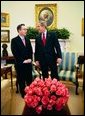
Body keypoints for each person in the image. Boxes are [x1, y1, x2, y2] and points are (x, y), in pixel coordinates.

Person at [11, 24, 33, 98]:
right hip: (20, 64)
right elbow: (15, 52)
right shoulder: (14, 40)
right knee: (21, 80)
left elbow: (30, 50)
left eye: (26, 29)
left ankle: (30, 93)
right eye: (24, 29)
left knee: (29, 80)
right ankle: (23, 94)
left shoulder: (27, 39)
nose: (26, 30)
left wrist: (30, 59)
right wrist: (23, 61)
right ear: (19, 30)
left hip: (28, 64)